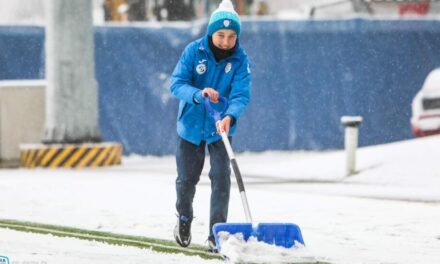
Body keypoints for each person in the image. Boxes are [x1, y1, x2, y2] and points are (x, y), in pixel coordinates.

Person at [169, 0, 251, 252]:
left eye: (231, 36)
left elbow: (241, 95)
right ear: (211, 32)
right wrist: (198, 94)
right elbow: (176, 84)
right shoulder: (194, 51)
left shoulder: (240, 59)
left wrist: (230, 116)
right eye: (220, 35)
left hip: (220, 128)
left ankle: (217, 233)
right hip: (191, 127)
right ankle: (184, 218)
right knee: (186, 180)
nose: (226, 41)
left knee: (221, 179)